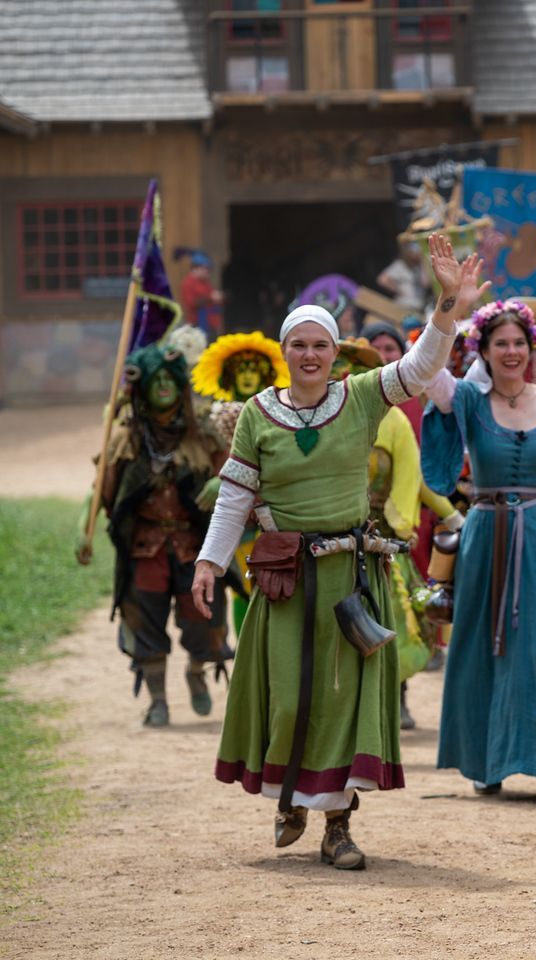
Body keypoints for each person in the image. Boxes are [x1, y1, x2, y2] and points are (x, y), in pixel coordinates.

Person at [190, 234, 486, 869]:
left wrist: (445, 304)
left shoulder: (359, 399)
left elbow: (419, 369)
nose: (310, 354)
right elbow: (234, 498)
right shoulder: (256, 416)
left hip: (350, 581)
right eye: (298, 344)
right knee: (291, 698)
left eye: (320, 344)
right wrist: (210, 563)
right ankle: (290, 799)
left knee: (342, 701)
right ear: (283, 351)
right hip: (285, 582)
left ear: (333, 351)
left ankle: (338, 828)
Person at [421, 298, 536, 807]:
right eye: (500, 343)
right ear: (484, 349)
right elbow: (430, 371)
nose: (512, 351)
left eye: (520, 341)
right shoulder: (469, 402)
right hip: (486, 535)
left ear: (532, 347)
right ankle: (486, 760)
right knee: (483, 648)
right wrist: (452, 312)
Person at [75, 343, 233, 727]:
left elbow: (236, 480)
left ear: (179, 385)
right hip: (144, 550)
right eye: (155, 379)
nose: (163, 385)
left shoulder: (204, 436)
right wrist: (84, 530)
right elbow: (100, 490)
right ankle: (157, 700)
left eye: (169, 379)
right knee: (143, 622)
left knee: (203, 617)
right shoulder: (126, 439)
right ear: (142, 386)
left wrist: (221, 486)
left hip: (194, 549)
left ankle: (197, 671)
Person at [329, 337, 462, 730]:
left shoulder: (395, 421)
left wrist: (455, 518)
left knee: (395, 623)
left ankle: (397, 700)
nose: (344, 376)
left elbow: (417, 478)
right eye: (339, 369)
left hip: (382, 541)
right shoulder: (318, 421)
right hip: (331, 540)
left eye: (353, 368)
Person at [190, 331, 290, 635]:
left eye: (254, 369)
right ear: (227, 376)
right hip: (230, 522)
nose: (247, 377)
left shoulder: (284, 415)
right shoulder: (208, 420)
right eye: (240, 370)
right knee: (241, 588)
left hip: (275, 519)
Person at [177, 249, 224, 339]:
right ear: (196, 269)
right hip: (197, 325)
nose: (208, 273)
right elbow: (191, 303)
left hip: (211, 325)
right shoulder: (188, 283)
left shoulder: (206, 283)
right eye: (206, 269)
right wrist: (211, 298)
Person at [377, 240, 430, 313]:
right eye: (414, 250)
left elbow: (425, 283)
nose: (416, 252)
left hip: (418, 307)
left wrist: (422, 261)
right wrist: (399, 290)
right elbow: (382, 279)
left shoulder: (419, 266)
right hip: (404, 306)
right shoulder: (400, 265)